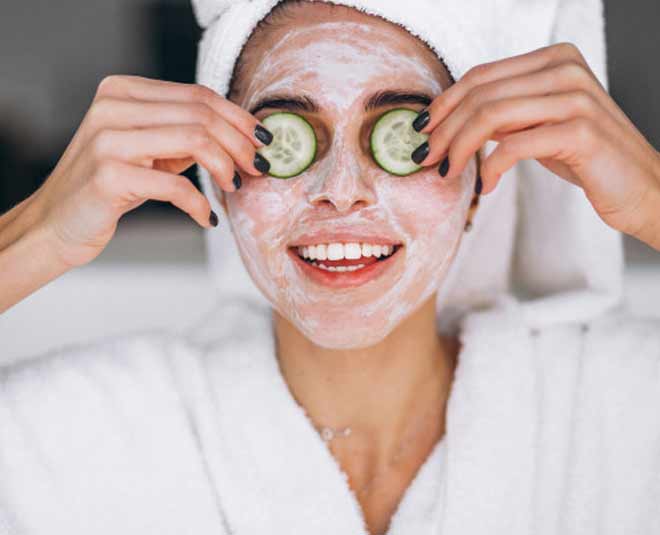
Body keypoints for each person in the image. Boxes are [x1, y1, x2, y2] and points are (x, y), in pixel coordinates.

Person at [0, 1, 659, 534]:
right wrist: (39, 234)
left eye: (405, 134)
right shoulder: (88, 431)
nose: (342, 192)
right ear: (220, 181)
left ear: (476, 190)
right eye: (281, 135)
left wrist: (651, 199)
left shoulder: (617, 411)